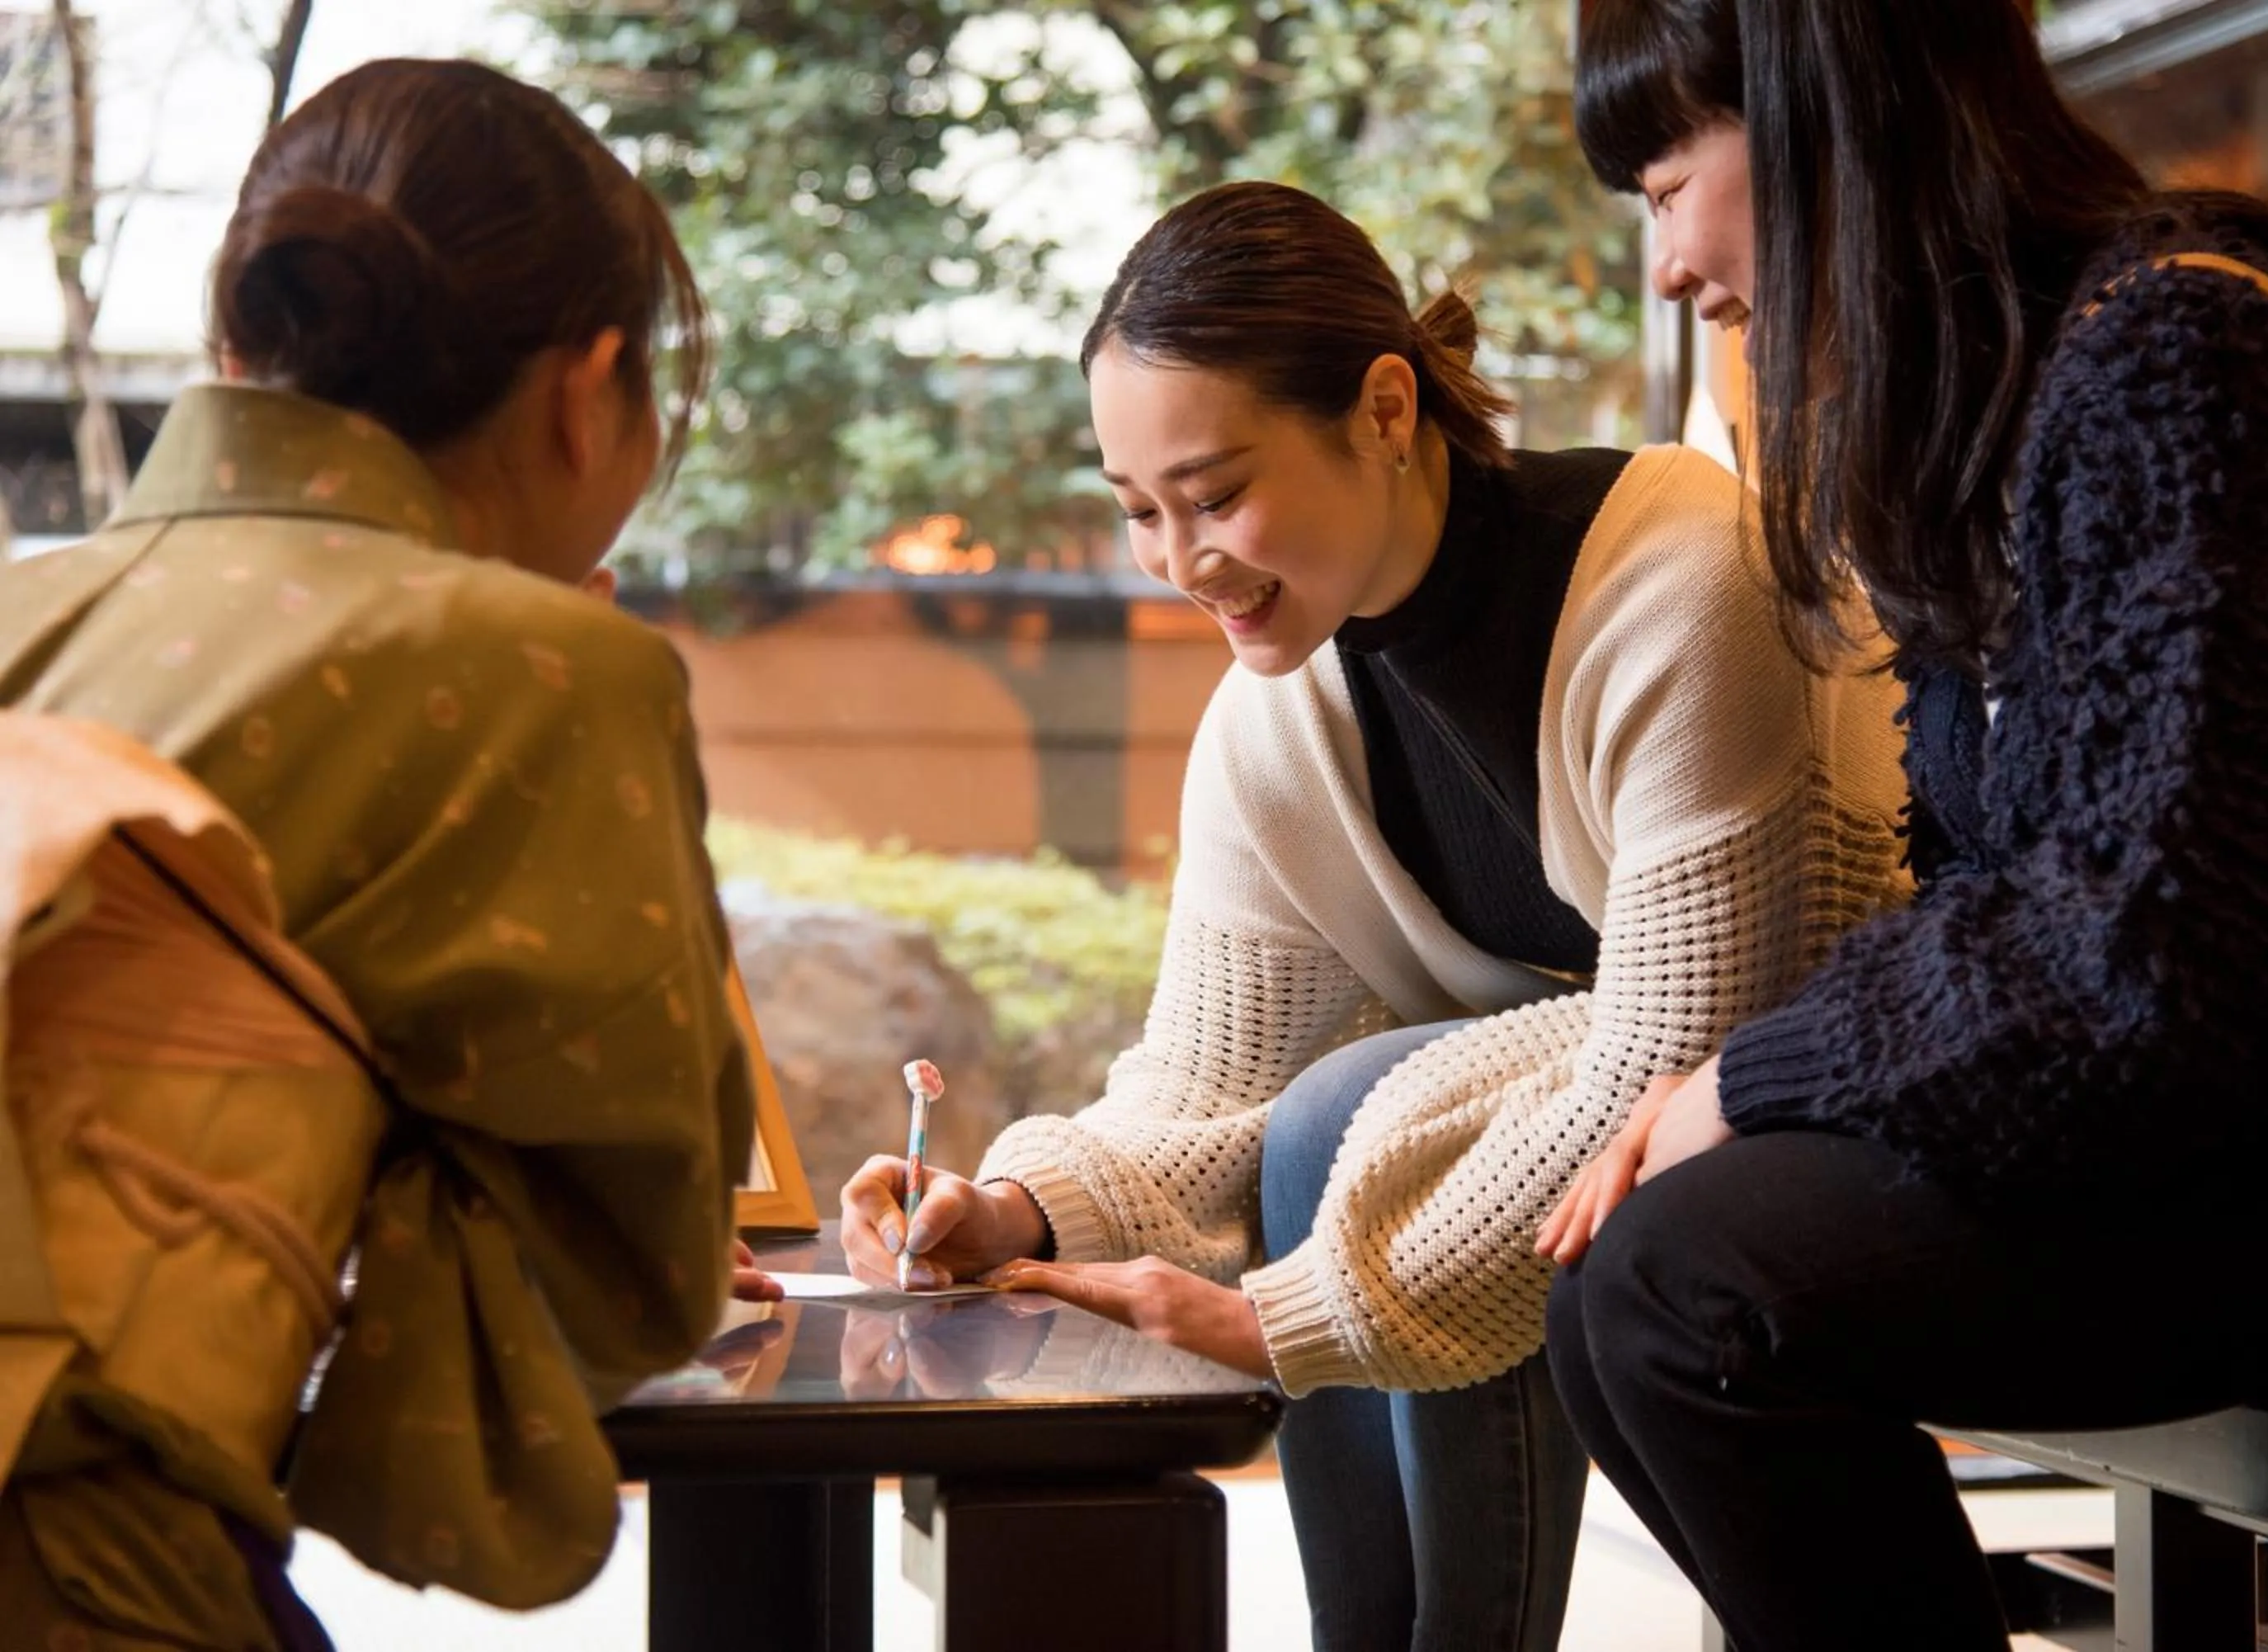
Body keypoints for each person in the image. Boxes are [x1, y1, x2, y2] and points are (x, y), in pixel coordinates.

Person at [838, 179, 1912, 1652]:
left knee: (1352, 1104)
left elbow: (1675, 1061)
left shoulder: (1684, 585)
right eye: (1140, 511)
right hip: (1603, 1156)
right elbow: (1204, 1084)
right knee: (1318, 1109)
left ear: (1387, 410)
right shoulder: (1278, 719)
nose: (1183, 561)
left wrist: (1297, 1314)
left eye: (1217, 494)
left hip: (1855, 1086)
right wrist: (1015, 1209)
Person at [1543, 4, 2268, 1649]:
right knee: (1627, 1285)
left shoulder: (2180, 360)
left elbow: (2176, 946)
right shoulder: (2021, 400)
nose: (1672, 267)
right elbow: (2021, 901)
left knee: (1688, 1289)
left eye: (1672, 185)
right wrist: (1757, 1092)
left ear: (1830, 114)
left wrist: (1750, 1080)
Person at [0, 58, 762, 1650]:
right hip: (84, 1556)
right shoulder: (542, 671)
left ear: (244, 346)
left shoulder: (25, 614)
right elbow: (634, 1272)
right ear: (588, 389)